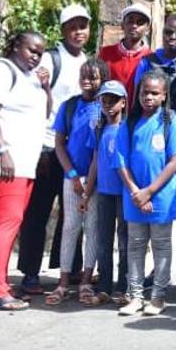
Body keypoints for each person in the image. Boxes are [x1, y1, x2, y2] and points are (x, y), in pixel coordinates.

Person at [0, 31, 52, 311]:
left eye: (40, 52)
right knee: (7, 222)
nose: (36, 56)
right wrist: (3, 151)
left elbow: (44, 113)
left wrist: (47, 87)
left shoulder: (29, 76)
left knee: (10, 222)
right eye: (31, 50)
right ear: (16, 45)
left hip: (24, 162)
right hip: (4, 161)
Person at [18, 5, 90, 297]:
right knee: (38, 210)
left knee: (72, 212)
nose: (78, 31)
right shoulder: (50, 59)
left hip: (74, 150)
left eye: (83, 25)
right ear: (62, 30)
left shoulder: (87, 61)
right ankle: (30, 273)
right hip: (47, 147)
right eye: (72, 26)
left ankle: (70, 268)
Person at [115, 70, 176, 317]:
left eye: (154, 93)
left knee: (161, 245)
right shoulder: (130, 122)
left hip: (162, 196)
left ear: (164, 95)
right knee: (135, 246)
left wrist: (149, 191)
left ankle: (158, 296)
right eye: (144, 92)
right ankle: (135, 295)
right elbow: (121, 161)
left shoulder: (171, 122)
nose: (148, 97)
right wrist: (136, 192)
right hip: (133, 196)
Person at [45, 59, 108, 306]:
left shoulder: (105, 108)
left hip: (96, 179)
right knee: (70, 227)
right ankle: (62, 282)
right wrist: (71, 175)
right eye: (84, 75)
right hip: (71, 178)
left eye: (93, 77)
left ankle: (85, 281)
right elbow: (59, 143)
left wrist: (88, 184)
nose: (87, 81)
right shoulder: (69, 106)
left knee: (92, 228)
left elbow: (97, 152)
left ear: (102, 80)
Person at [90, 80, 129, 306]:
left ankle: (123, 287)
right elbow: (95, 160)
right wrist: (87, 191)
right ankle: (104, 285)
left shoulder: (128, 128)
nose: (108, 105)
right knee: (103, 240)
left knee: (125, 241)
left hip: (124, 192)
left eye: (113, 100)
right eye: (104, 100)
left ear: (123, 102)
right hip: (103, 192)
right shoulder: (99, 128)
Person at [98, 3, 152, 99]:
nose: (134, 26)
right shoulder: (106, 54)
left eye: (140, 22)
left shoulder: (151, 58)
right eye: (130, 21)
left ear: (147, 29)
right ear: (123, 25)